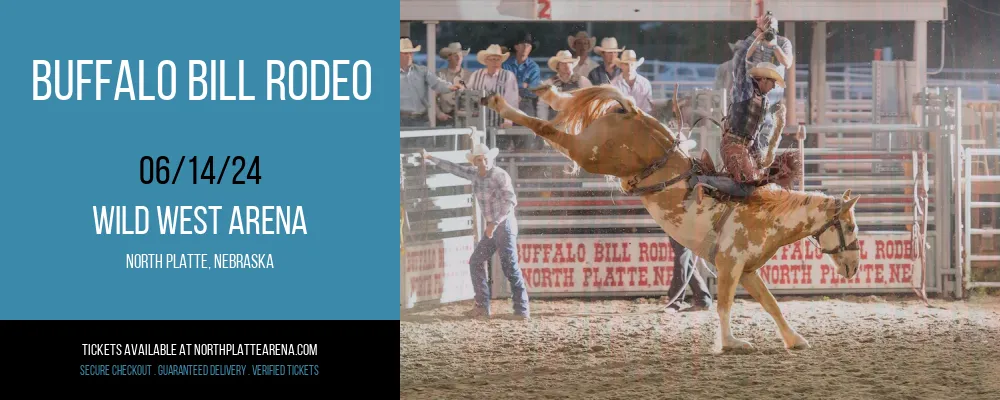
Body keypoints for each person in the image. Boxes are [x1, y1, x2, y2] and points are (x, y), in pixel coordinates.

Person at [421, 144, 530, 320]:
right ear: (475, 162)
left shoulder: (500, 175)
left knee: (509, 266)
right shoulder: (474, 175)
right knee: (476, 261)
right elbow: (454, 168)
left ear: (490, 159)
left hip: (503, 225)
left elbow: (510, 201)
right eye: (479, 159)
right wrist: (430, 157)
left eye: (485, 159)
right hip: (493, 227)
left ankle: (522, 309)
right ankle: (482, 307)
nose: (483, 162)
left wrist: (494, 223)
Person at [732, 12, 794, 144]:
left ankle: (762, 149)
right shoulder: (755, 40)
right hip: (753, 91)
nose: (768, 32)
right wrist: (756, 39)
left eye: (771, 28)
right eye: (765, 28)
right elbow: (743, 56)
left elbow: (787, 63)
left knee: (767, 126)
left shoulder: (783, 42)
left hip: (772, 94)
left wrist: (774, 46)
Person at [399, 38, 463, 128]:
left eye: (411, 53)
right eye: (406, 53)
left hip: (421, 119)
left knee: (425, 142)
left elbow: (436, 82)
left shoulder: (422, 71)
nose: (409, 56)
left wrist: (450, 87)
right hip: (401, 120)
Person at [466, 44, 520, 128]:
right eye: (492, 59)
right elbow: (468, 95)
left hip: (500, 124)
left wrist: (508, 121)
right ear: (486, 61)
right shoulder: (476, 75)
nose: (495, 62)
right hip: (478, 123)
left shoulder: (508, 76)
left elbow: (512, 101)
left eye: (498, 59)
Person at [537, 50, 593, 120]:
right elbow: (542, 106)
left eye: (569, 62)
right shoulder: (549, 83)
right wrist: (544, 124)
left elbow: (591, 101)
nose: (567, 65)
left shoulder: (582, 81)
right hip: (555, 124)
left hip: (576, 124)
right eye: (563, 63)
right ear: (558, 66)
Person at [502, 32, 542, 117]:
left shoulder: (534, 67)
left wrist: (513, 85)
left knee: (527, 128)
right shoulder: (505, 64)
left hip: (526, 104)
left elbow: (534, 92)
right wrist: (523, 85)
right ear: (516, 47)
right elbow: (502, 85)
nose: (525, 47)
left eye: (528, 45)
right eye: (523, 44)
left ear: (531, 48)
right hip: (507, 103)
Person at [435, 42, 473, 126]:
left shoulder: (469, 76)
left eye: (460, 54)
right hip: (445, 119)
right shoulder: (440, 75)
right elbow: (431, 98)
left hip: (465, 120)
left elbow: (474, 99)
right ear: (449, 57)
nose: (458, 57)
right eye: (455, 54)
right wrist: (438, 113)